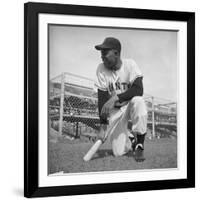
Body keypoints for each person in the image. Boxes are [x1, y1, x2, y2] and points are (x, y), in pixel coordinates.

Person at [94, 37, 147, 162]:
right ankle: (131, 140)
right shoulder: (101, 68)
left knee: (138, 101)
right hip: (116, 111)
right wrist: (103, 126)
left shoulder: (130, 64)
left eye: (105, 53)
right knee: (118, 152)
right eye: (101, 54)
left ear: (116, 53)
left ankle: (139, 144)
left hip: (130, 105)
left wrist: (116, 98)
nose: (102, 57)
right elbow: (102, 99)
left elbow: (138, 89)